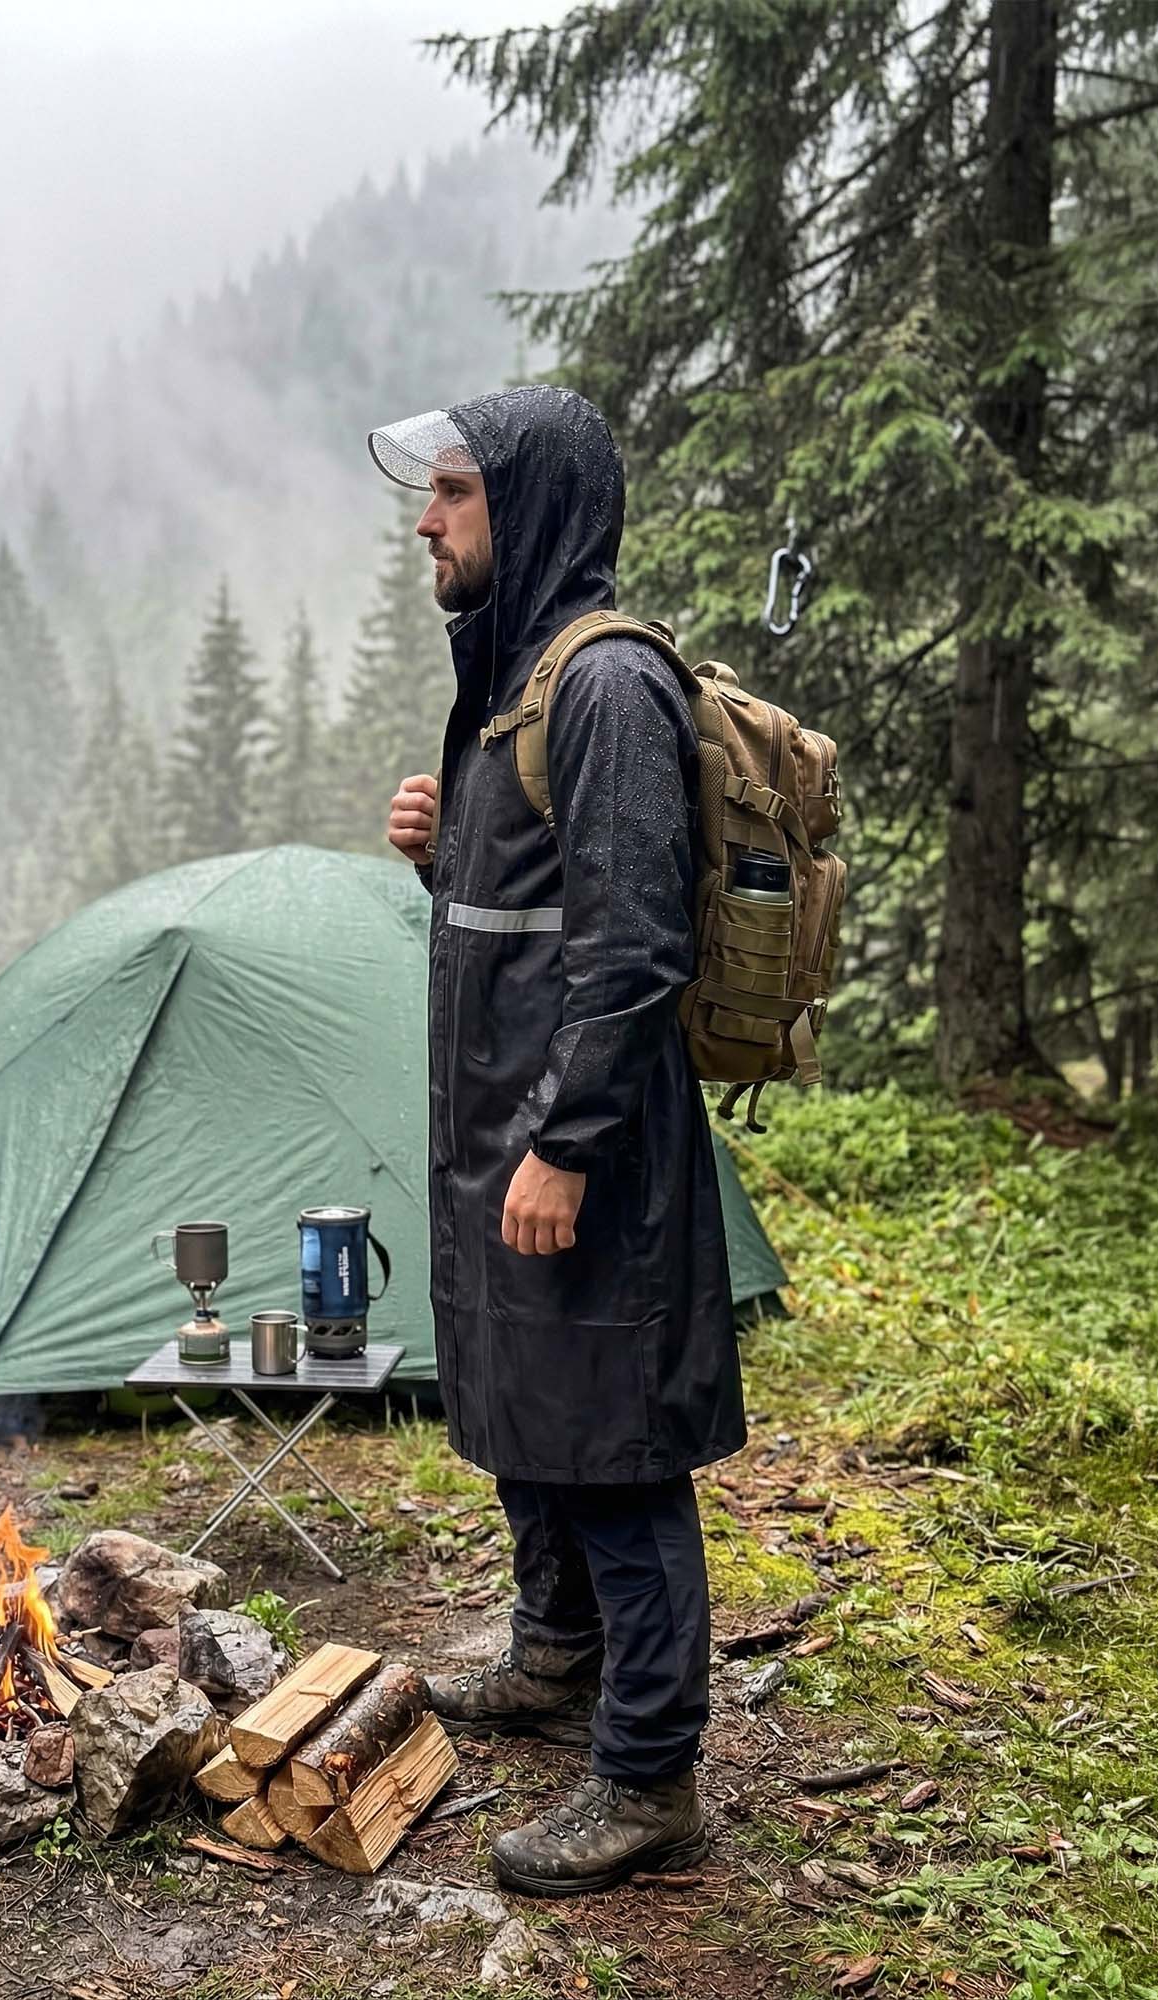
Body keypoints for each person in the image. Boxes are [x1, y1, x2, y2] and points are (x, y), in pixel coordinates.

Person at [370, 387, 745, 1897]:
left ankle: (650, 1777)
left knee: (616, 1451)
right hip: (506, 1131)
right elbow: (538, 918)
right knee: (535, 1404)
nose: (427, 519)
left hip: (580, 1145)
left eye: (453, 493)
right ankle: (554, 1655)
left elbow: (638, 947)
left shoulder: (603, 689)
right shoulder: (518, 681)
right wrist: (442, 859)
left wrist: (569, 1142)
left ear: (522, 509)